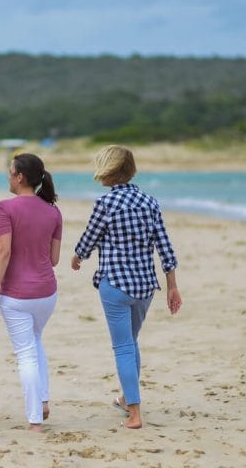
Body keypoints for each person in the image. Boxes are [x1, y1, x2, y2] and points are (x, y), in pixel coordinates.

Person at [71, 145, 182, 429]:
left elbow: (89, 238)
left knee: (122, 347)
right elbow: (165, 247)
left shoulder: (105, 203)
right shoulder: (149, 201)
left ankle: (135, 413)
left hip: (116, 285)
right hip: (145, 286)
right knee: (131, 343)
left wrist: (77, 256)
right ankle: (124, 397)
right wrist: (172, 286)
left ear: (108, 171)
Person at [0, 153, 62, 432]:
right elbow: (54, 258)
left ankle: (35, 419)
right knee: (35, 342)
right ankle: (44, 400)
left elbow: (3, 251)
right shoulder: (53, 211)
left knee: (26, 353)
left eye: (10, 172)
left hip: (17, 295)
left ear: (20, 177)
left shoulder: (4, 208)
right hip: (47, 293)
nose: (8, 176)